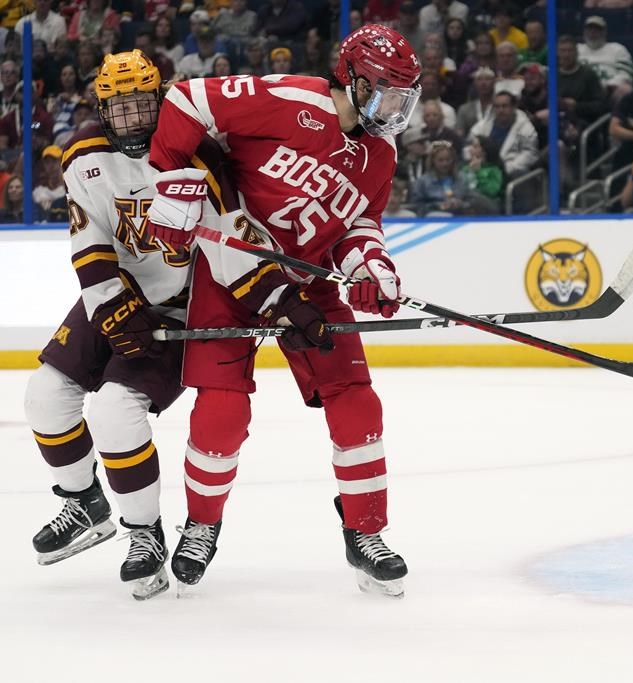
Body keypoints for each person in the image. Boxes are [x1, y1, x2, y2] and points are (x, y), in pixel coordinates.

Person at [144, 23, 420, 598]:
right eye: (385, 92)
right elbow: (184, 99)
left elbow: (358, 224)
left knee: (358, 401)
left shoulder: (380, 153)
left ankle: (365, 530)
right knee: (222, 412)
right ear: (352, 78)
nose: (395, 108)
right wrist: (170, 180)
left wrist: (372, 266)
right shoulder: (290, 100)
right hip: (230, 270)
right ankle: (201, 524)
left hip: (309, 285)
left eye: (403, 96)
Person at [21, 50, 212, 601]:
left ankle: (145, 535)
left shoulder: (197, 150)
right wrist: (108, 306)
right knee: (43, 396)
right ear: (102, 110)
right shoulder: (84, 154)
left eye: (140, 106)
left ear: (160, 99)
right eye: (118, 108)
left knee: (113, 411)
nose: (131, 119)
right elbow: (90, 241)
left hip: (182, 307)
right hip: (115, 294)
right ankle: (84, 501)